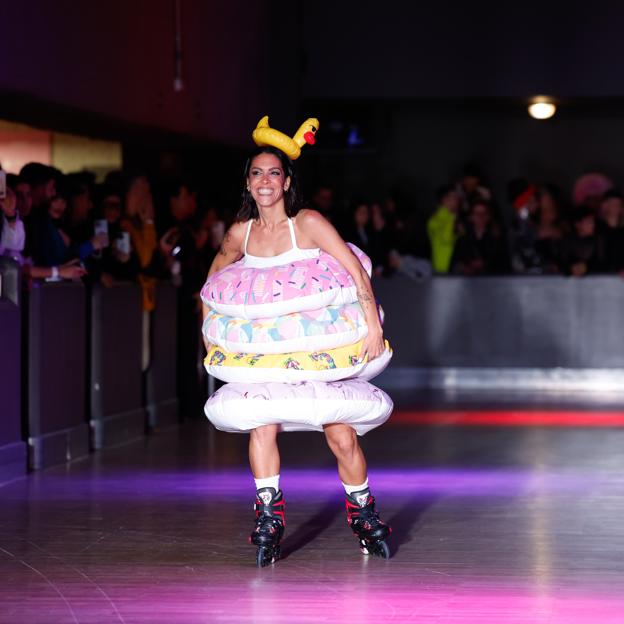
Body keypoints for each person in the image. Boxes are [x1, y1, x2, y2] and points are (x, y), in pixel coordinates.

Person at [202, 144, 391, 564]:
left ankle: (362, 511)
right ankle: (269, 515)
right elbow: (214, 279)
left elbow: (354, 268)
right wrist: (212, 336)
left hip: (317, 348)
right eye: (257, 173)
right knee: (261, 423)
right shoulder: (240, 233)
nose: (265, 181)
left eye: (273, 173)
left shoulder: (306, 224)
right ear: (248, 182)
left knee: (341, 434)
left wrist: (373, 326)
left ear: (286, 182)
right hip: (269, 355)